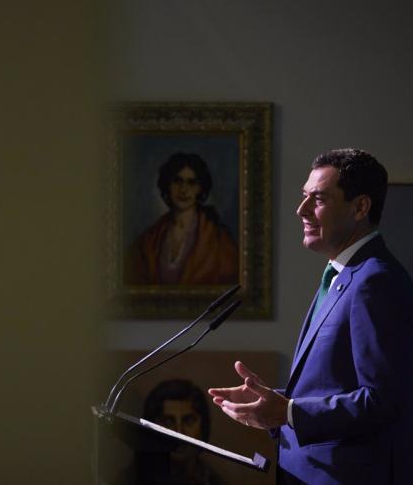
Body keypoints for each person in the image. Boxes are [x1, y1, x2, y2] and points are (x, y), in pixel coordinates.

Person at [208, 149, 413, 484]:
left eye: (318, 199)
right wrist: (274, 403)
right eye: (304, 196)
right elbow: (335, 385)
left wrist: (288, 412)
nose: (301, 209)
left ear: (360, 207)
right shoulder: (343, 274)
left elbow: (384, 401)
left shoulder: (375, 280)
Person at [125, 152, 238, 285]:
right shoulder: (149, 240)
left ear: (200, 189)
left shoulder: (218, 238)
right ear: (167, 185)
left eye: (191, 183)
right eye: (177, 181)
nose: (183, 189)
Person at [115, 379, 224, 485]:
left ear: (204, 425)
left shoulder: (214, 481)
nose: (179, 432)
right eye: (168, 422)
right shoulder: (128, 480)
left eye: (188, 420)